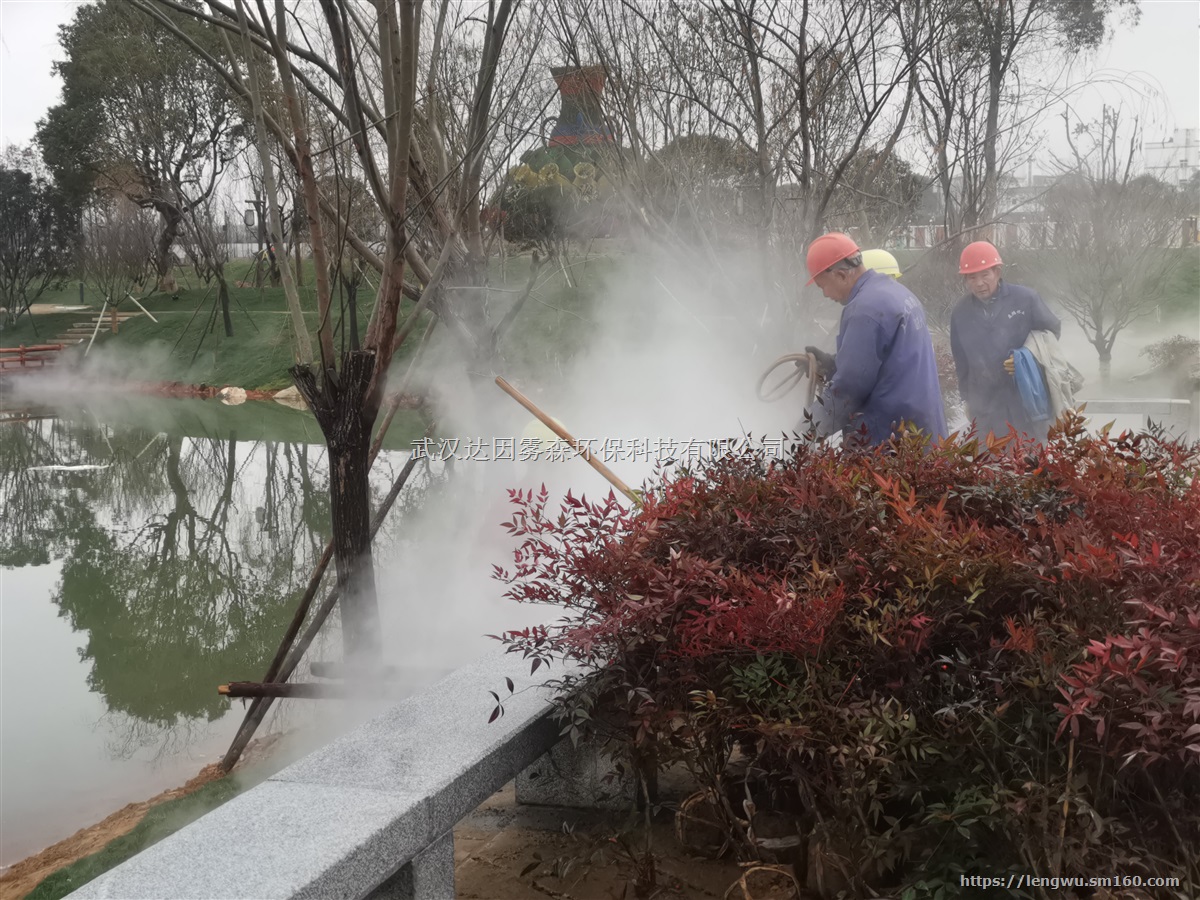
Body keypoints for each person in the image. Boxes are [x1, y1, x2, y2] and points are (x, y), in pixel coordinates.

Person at [803, 232, 947, 447]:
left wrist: (801, 436)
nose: (824, 294)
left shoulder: (865, 309)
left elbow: (849, 391)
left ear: (841, 275)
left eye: (822, 286)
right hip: (920, 433)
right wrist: (832, 365)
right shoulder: (897, 293)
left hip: (887, 444)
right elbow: (888, 365)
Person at [949, 241, 1061, 440]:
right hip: (984, 408)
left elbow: (1051, 333)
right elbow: (961, 362)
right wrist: (967, 399)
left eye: (985, 274)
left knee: (1030, 465)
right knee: (989, 466)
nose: (979, 283)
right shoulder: (961, 313)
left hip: (1026, 403)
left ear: (997, 272)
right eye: (972, 277)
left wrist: (1027, 358)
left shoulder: (1026, 299)